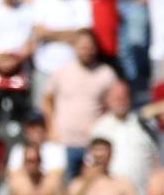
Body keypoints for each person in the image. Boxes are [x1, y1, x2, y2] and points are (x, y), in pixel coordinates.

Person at [41, 29, 117, 177]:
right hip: (64, 141)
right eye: (82, 47)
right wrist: (51, 128)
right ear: (74, 48)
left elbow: (113, 103)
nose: (86, 51)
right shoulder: (61, 72)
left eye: (89, 47)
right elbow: (46, 101)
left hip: (93, 144)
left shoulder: (106, 74)